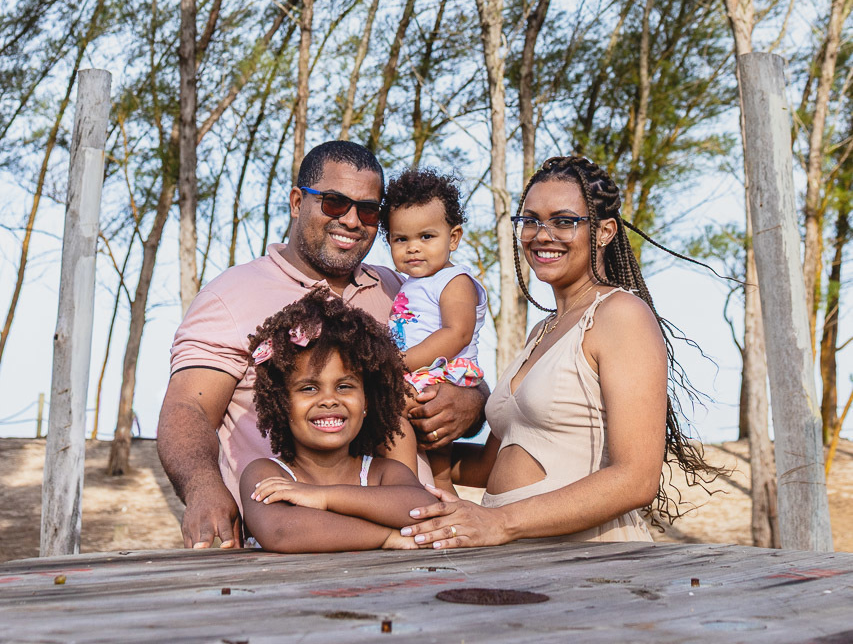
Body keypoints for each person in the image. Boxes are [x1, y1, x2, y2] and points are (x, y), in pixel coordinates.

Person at [157, 140, 487, 550]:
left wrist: (469, 402)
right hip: (294, 545)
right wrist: (203, 489)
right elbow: (187, 408)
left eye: (368, 210)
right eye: (334, 203)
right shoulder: (231, 295)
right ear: (298, 202)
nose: (351, 220)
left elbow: (457, 361)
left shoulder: (400, 289)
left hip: (417, 538)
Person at [399, 155, 716, 549]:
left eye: (564, 221)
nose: (541, 234)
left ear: (604, 232)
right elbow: (491, 465)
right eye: (530, 220)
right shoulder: (542, 331)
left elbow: (636, 479)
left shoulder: (621, 316)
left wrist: (500, 523)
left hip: (590, 559)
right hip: (519, 555)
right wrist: (409, 435)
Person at [240, 288, 434, 551]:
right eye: (309, 388)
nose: (329, 400)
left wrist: (324, 497)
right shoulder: (267, 474)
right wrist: (386, 537)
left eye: (344, 386)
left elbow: (424, 508)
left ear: (367, 402)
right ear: (281, 405)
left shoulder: (383, 472)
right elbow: (283, 531)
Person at [381, 169, 487, 489]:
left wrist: (399, 363)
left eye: (426, 237)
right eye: (402, 239)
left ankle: (423, 488)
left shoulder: (455, 281)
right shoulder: (412, 282)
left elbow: (457, 334)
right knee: (409, 427)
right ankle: (423, 484)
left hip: (442, 369)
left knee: (403, 414)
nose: (413, 248)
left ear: (453, 238)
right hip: (417, 367)